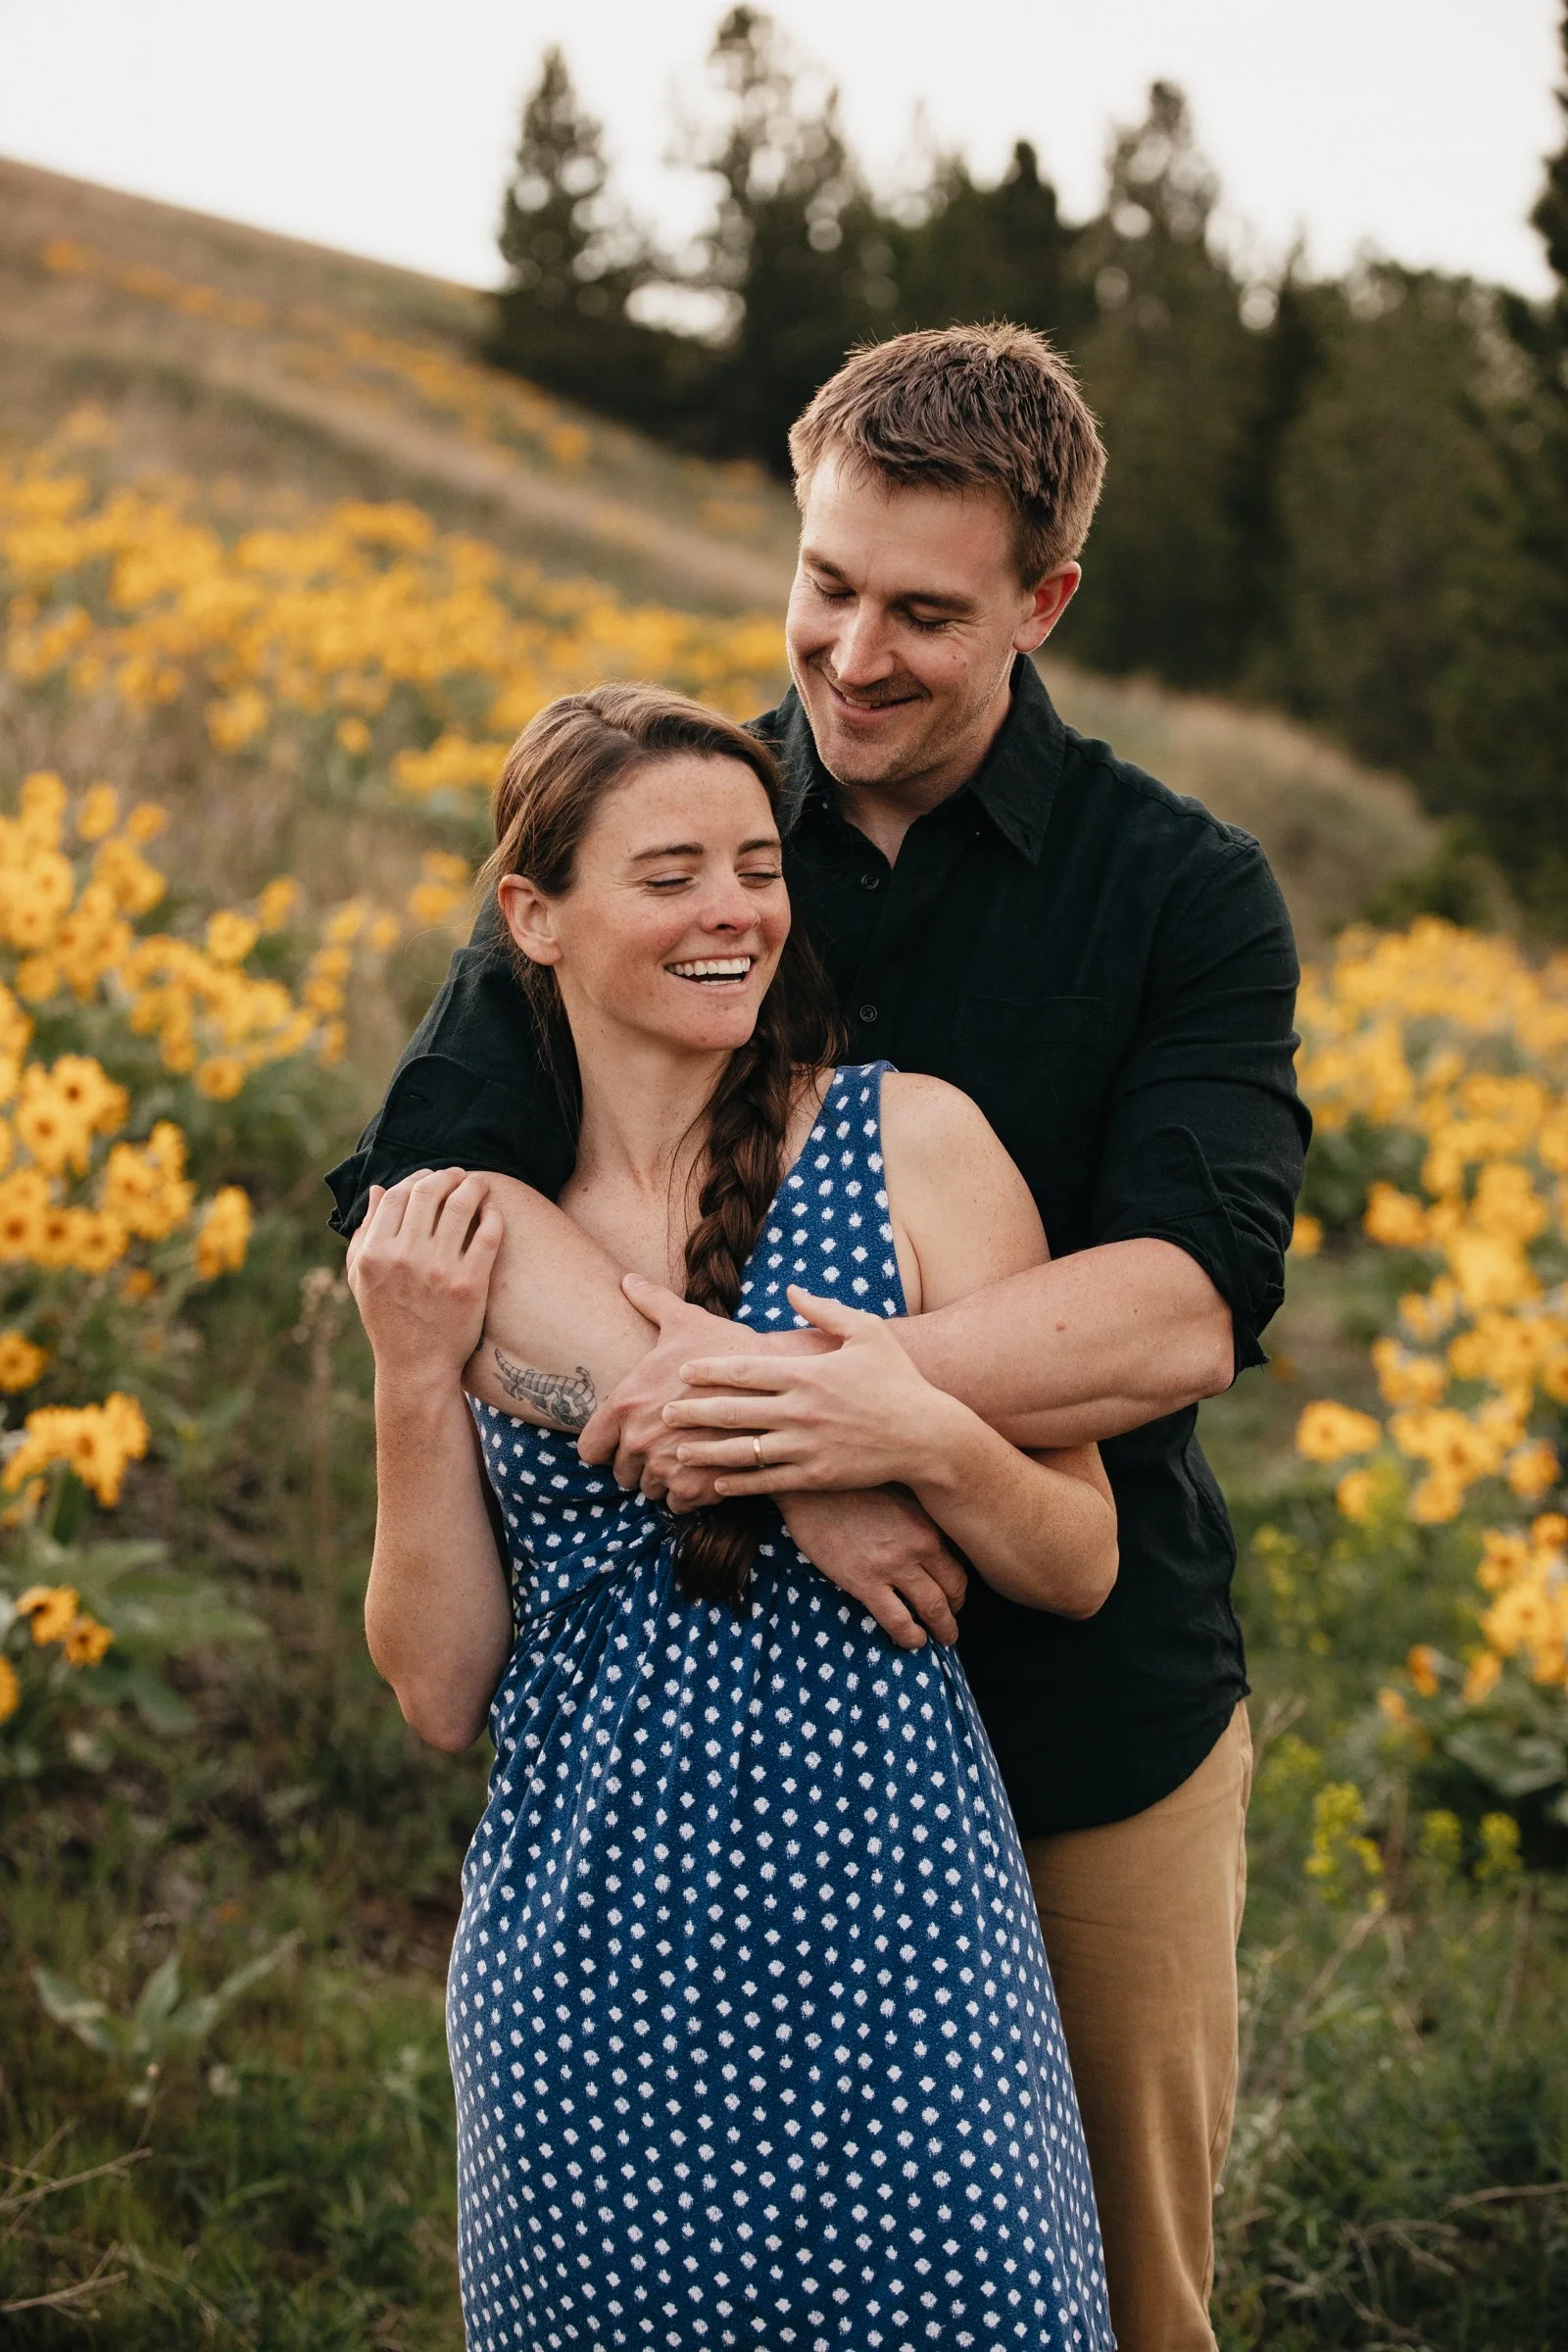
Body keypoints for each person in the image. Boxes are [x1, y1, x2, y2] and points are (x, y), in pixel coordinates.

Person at [329, 322, 1311, 2351]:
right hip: (712, 1754)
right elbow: (419, 1203)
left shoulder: (1179, 891)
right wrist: (775, 1467)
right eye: (823, 587)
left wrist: (843, 1419)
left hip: (1082, 1711)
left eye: (922, 615)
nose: (851, 655)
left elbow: (1180, 1309)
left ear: (1039, 606)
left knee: (1100, 2301)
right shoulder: (681, 825)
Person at [348, 683, 1118, 2351]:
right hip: (587, 1956)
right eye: (672, 871)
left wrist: (902, 1432)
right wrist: (413, 1379)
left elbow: (1075, 1559)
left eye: (759, 868)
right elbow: (435, 1690)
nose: (732, 914)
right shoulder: (478, 1241)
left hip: (900, 1942)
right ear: (533, 917)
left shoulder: (911, 1142)